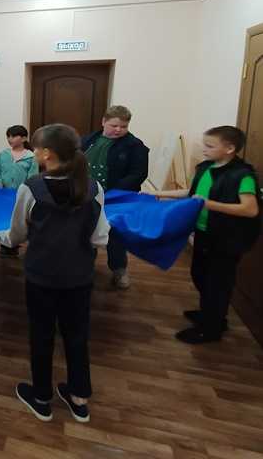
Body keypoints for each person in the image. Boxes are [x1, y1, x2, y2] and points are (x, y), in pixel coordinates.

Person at [0, 124, 110, 424]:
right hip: (79, 276)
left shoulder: (31, 188)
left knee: (41, 334)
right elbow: (100, 238)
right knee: (77, 335)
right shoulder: (94, 188)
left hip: (41, 276)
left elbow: (16, 236)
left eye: (36, 148)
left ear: (46, 154)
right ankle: (79, 399)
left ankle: (41, 397)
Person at [145, 126, 260, 344]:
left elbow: (250, 209)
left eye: (210, 146)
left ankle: (210, 329)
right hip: (204, 233)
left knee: (217, 283)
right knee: (200, 274)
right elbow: (191, 193)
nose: (204, 149)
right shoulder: (206, 168)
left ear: (229, 148)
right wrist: (157, 194)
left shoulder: (243, 175)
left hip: (225, 239)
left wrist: (210, 204)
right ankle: (211, 315)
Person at [81, 105, 148, 289]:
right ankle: (85, 267)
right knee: (86, 231)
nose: (119, 130)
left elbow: (138, 174)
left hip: (116, 199)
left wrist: (112, 193)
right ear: (103, 122)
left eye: (123, 126)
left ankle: (119, 270)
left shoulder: (135, 146)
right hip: (87, 196)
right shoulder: (87, 140)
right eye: (114, 125)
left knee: (115, 234)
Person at [0, 125, 39, 257]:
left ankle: (15, 244)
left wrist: (24, 191)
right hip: (3, 195)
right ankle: (5, 246)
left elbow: (33, 177)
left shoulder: (31, 157)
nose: (10, 139)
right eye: (8, 136)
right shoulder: (2, 155)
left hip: (20, 197)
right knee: (4, 220)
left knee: (18, 221)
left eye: (13, 136)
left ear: (24, 138)